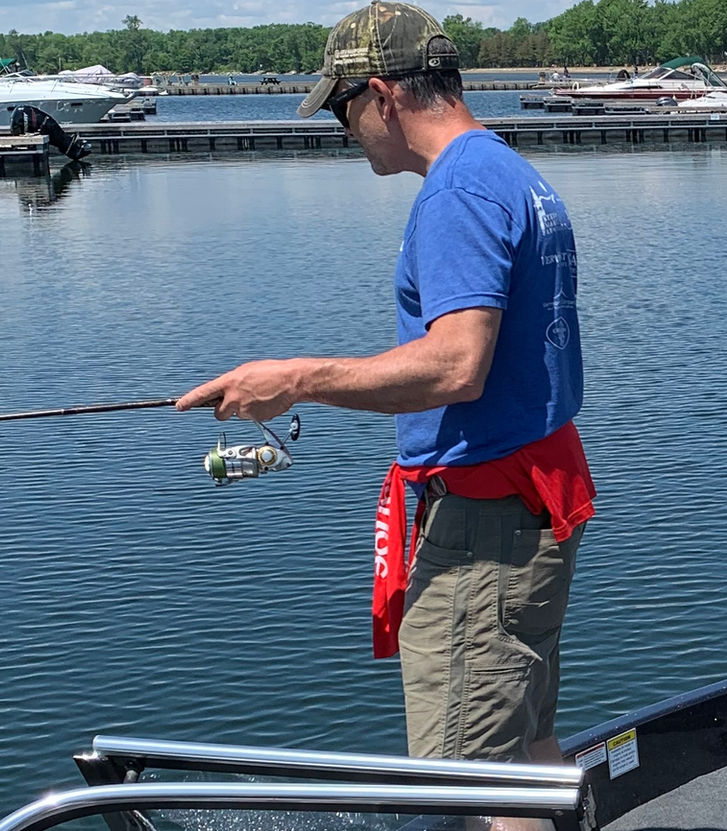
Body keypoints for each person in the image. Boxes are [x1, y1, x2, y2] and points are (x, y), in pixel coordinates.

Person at [176, 0, 595, 782]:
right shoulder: (506, 170)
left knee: (465, 780)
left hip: (487, 523)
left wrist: (297, 378)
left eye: (342, 108)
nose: (343, 129)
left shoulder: (457, 193)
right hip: (532, 501)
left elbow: (454, 366)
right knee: (529, 751)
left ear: (384, 92)